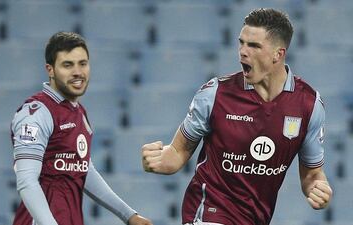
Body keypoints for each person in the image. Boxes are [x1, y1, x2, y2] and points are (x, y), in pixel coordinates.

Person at [141, 8, 332, 225]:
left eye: (254, 46)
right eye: (241, 43)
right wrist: (160, 160)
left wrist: (319, 187)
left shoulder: (308, 105)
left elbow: (312, 174)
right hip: (209, 212)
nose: (242, 51)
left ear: (278, 54)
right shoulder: (214, 94)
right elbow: (178, 151)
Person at [11, 32, 153, 225]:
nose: (77, 72)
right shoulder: (35, 114)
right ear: (50, 69)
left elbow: (84, 170)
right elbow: (27, 181)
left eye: (83, 63)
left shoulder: (79, 113)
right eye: (67, 65)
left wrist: (129, 215)